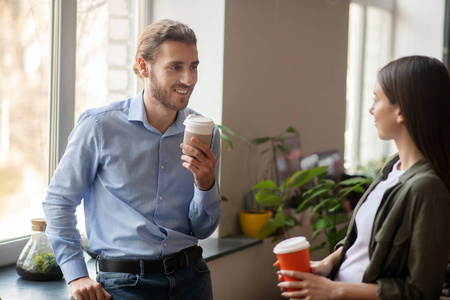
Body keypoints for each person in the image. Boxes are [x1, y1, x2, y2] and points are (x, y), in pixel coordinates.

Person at [43, 19, 221, 300]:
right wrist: (76, 275)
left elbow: (203, 228)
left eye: (193, 66)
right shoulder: (99, 127)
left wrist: (206, 184)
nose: (188, 79)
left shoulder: (205, 133)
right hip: (124, 286)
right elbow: (59, 202)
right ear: (143, 67)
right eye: (176, 66)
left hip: (193, 280)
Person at [276, 55, 450, 299]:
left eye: (376, 99)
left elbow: (421, 291)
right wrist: (327, 264)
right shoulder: (392, 168)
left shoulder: (428, 189)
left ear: (400, 110)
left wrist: (333, 290)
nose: (371, 109)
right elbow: (362, 241)